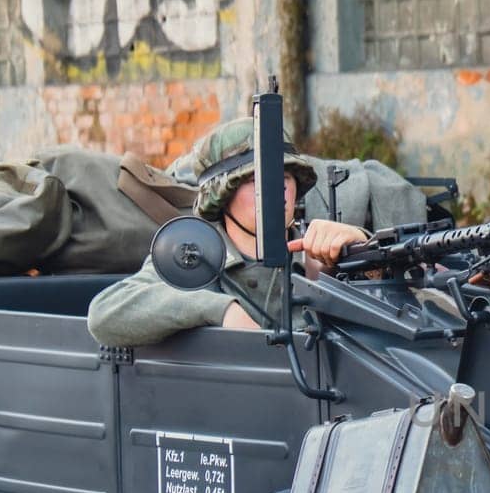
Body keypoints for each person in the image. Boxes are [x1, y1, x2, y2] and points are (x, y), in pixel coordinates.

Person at [87, 119, 367, 347]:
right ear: (222, 195)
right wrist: (219, 310)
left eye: (285, 177)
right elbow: (105, 314)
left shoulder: (319, 249)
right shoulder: (194, 255)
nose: (276, 188)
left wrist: (360, 254)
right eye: (256, 181)